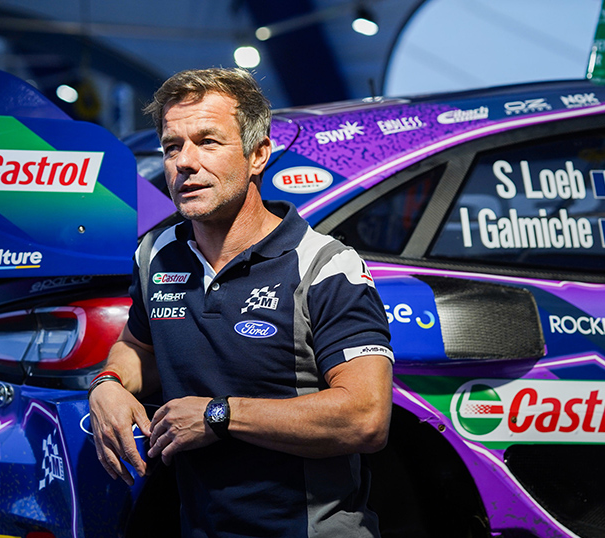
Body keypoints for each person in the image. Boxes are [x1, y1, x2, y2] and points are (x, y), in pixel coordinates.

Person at [87, 67, 394, 537]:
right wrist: (108, 384)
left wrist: (219, 415)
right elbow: (139, 347)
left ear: (258, 154)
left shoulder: (325, 266)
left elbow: (366, 418)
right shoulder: (156, 253)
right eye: (172, 147)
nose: (184, 162)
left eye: (207, 142)